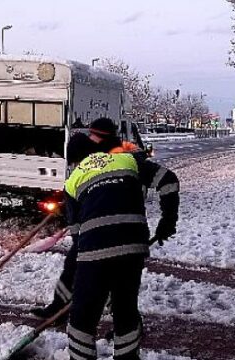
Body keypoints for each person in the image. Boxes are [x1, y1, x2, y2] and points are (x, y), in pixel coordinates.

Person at [31, 120, 180, 322]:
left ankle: (122, 322)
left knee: (117, 284)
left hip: (120, 231)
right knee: (77, 267)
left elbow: (167, 180)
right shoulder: (99, 154)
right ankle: (60, 307)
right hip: (111, 232)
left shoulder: (123, 157)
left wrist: (167, 221)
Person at [60, 133, 152, 360]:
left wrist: (79, 279)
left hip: (96, 249)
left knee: (81, 320)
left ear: (75, 160)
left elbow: (77, 236)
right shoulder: (126, 159)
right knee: (125, 310)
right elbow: (154, 169)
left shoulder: (73, 179)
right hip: (134, 246)